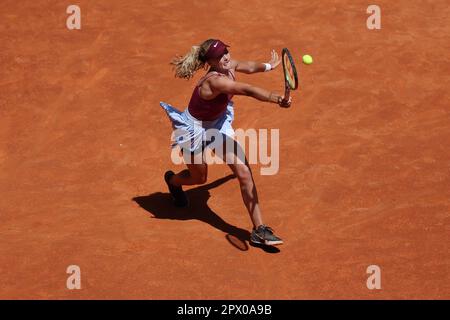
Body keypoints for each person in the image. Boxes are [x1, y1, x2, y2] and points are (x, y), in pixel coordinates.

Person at [160, 39, 291, 246]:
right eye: (220, 55)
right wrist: (276, 98)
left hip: (217, 125)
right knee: (199, 178)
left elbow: (248, 66)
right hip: (194, 130)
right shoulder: (214, 80)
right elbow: (246, 89)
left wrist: (268, 66)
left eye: (226, 52)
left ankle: (259, 230)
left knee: (244, 172)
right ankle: (173, 181)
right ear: (210, 61)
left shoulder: (229, 65)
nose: (226, 57)